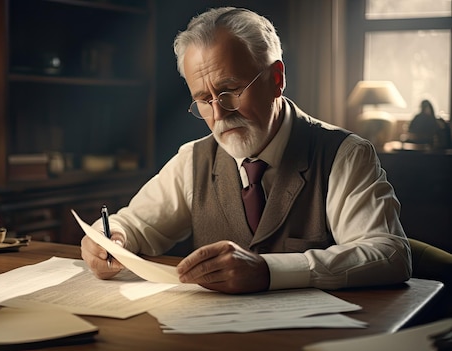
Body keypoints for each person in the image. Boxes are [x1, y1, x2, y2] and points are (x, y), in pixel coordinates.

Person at [81, 7, 411, 294]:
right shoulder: (193, 160)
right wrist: (107, 239)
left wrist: (268, 271)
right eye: (204, 100)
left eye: (230, 91)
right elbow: (133, 224)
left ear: (276, 78)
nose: (220, 114)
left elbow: (390, 254)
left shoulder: (344, 154)